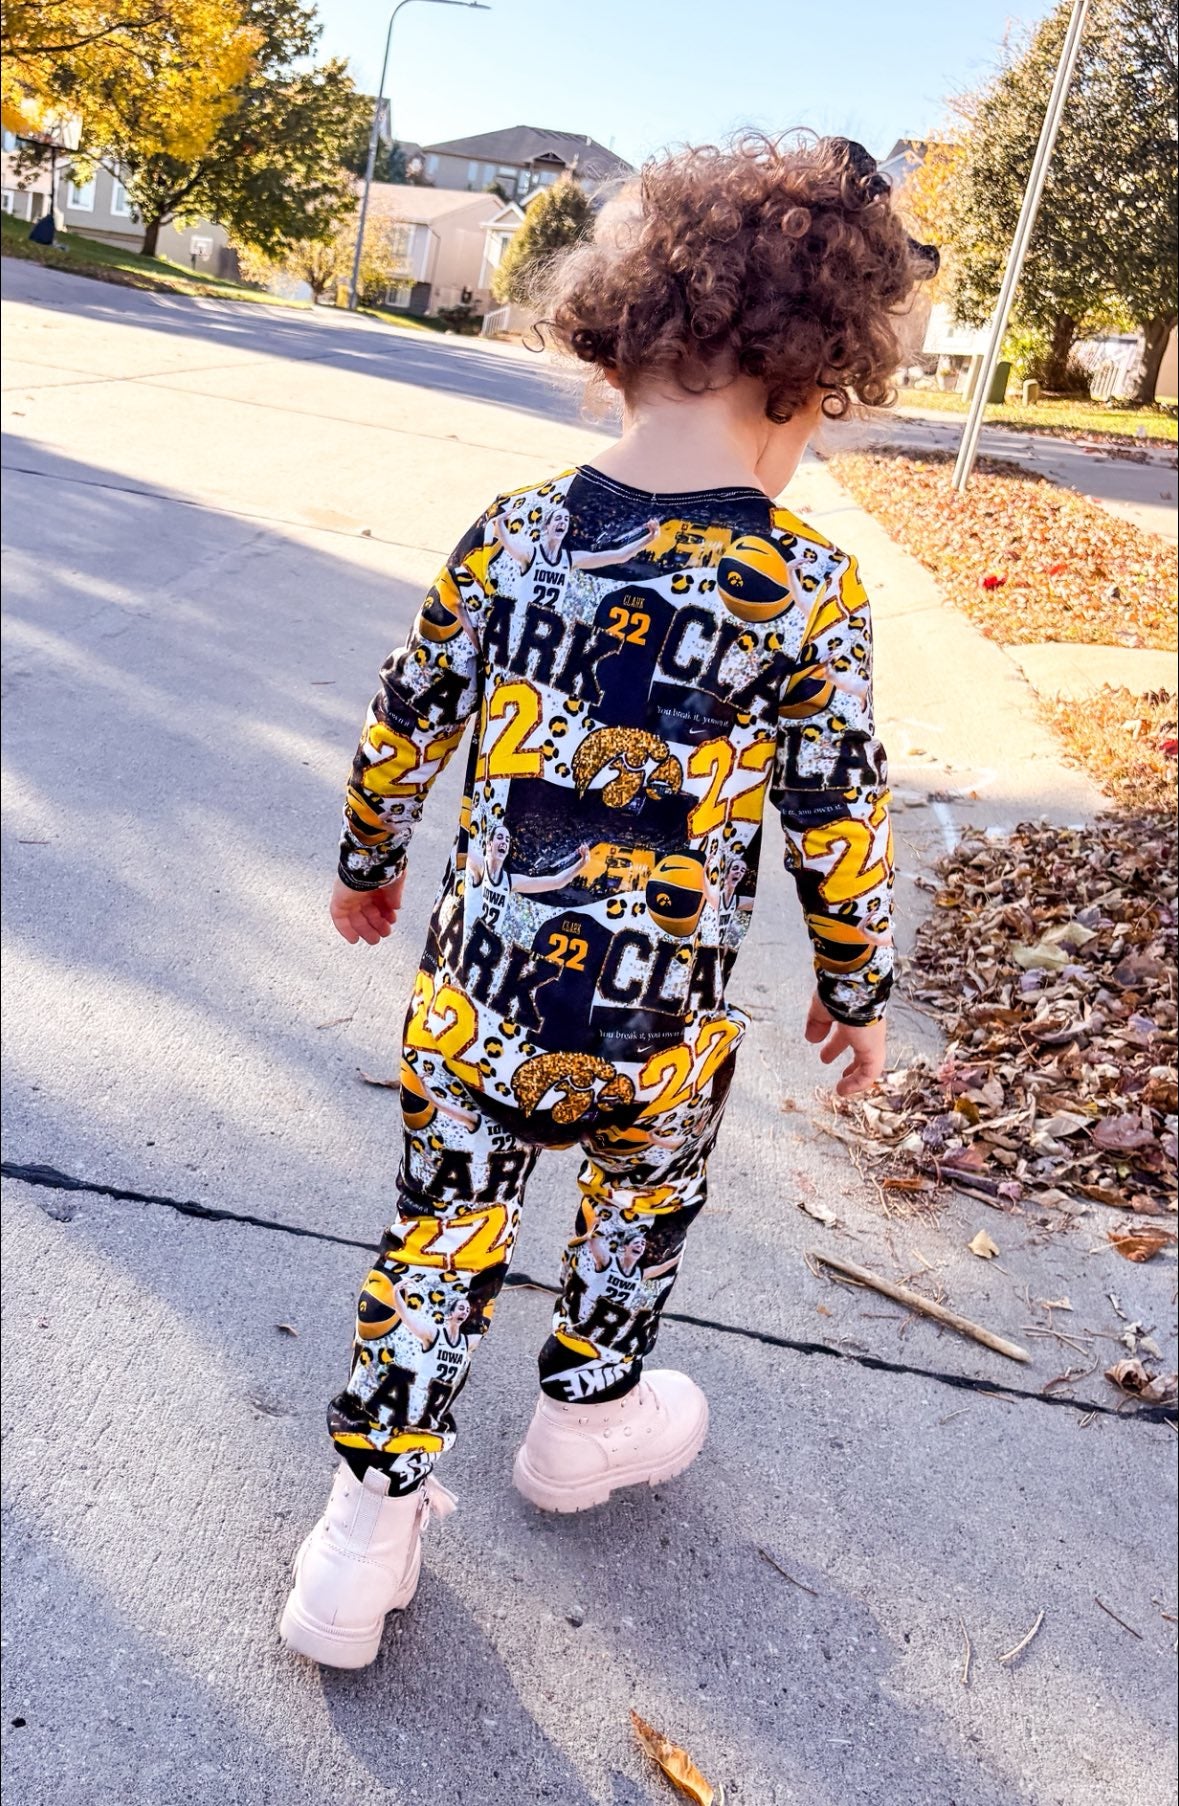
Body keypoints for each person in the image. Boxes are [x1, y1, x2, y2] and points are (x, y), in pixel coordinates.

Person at [280, 131, 938, 1669]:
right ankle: (586, 1419)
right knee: (642, 1206)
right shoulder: (806, 590)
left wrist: (370, 863)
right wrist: (856, 988)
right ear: (805, 385)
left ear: (622, 344)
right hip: (658, 1034)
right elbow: (842, 816)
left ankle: (359, 1536)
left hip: (482, 1005)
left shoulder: (513, 532)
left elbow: (405, 717)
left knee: (440, 1237)